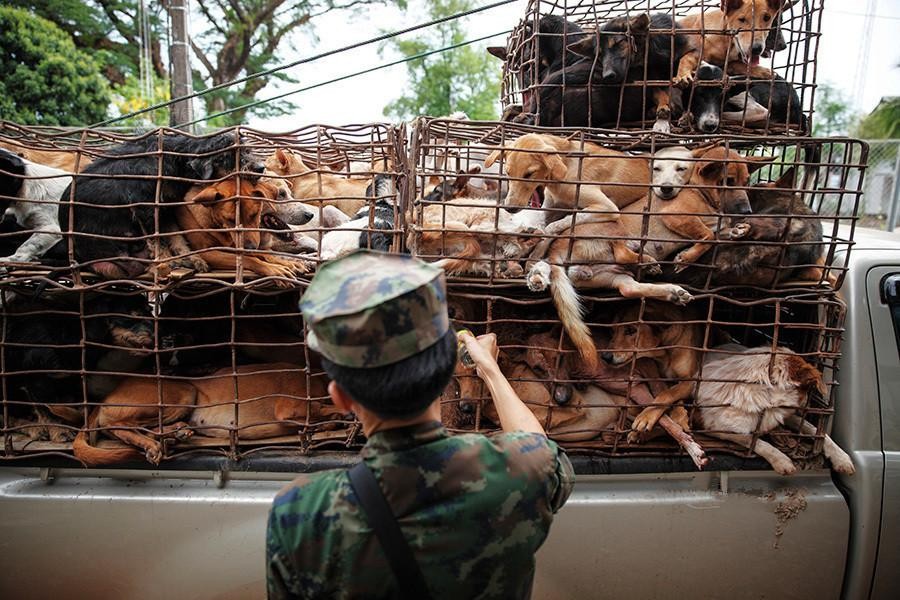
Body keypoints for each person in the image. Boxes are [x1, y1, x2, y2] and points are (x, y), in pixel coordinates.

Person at [266, 250, 575, 599]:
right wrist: (489, 370)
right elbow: (540, 447)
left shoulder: (301, 511)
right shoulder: (521, 473)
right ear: (446, 372)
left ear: (340, 398)